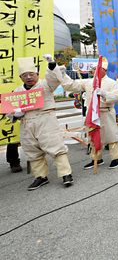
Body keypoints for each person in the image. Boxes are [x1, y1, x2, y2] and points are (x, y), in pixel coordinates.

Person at [10, 56, 74, 190]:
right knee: (32, 151)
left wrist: (51, 65)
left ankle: (66, 174)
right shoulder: (17, 91)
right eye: (24, 75)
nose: (28, 77)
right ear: (20, 77)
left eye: (31, 74)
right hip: (27, 122)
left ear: (37, 74)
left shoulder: (45, 84)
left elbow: (53, 78)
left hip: (46, 119)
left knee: (56, 147)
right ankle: (41, 177)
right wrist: (15, 114)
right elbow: (10, 108)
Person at [61, 57, 118, 169]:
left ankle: (115, 158)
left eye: (97, 68)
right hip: (92, 114)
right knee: (93, 136)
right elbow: (72, 84)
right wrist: (62, 74)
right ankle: (96, 158)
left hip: (106, 112)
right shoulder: (89, 82)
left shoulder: (112, 82)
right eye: (94, 69)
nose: (95, 71)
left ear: (104, 70)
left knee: (110, 136)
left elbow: (117, 95)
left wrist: (104, 93)